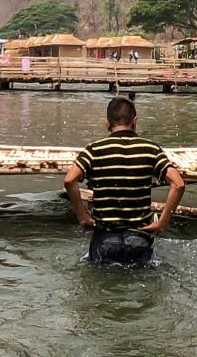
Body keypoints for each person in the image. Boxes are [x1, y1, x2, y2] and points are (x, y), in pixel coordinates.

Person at [62, 97, 185, 266]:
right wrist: (162, 222)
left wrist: (83, 217)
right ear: (135, 122)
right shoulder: (151, 149)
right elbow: (178, 184)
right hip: (139, 240)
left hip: (105, 240)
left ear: (107, 124)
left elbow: (69, 180)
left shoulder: (94, 150)